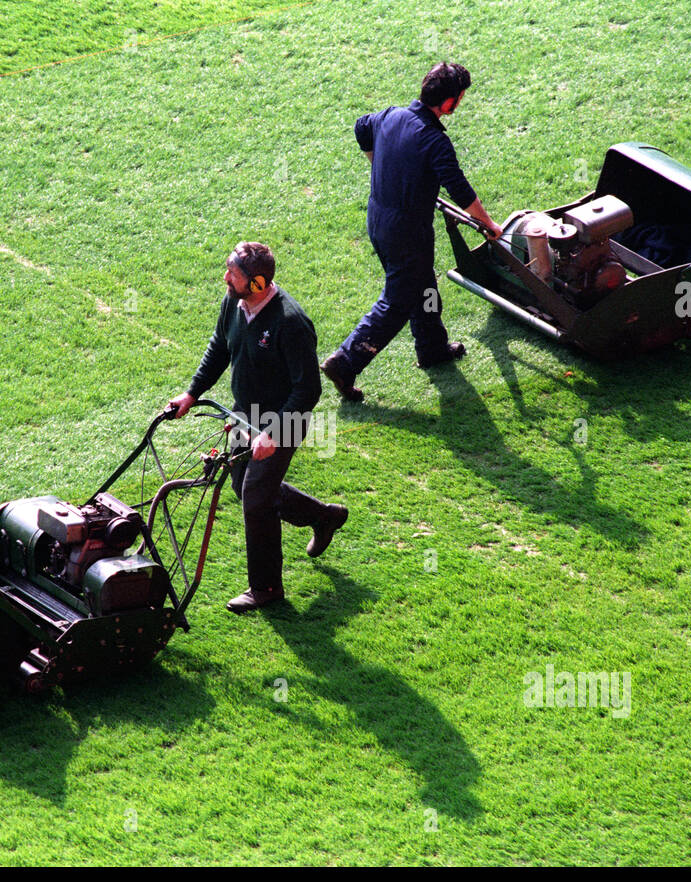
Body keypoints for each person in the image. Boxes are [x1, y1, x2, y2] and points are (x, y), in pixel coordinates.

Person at [166, 241, 348, 613]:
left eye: (233, 273)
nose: (226, 277)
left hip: (284, 420)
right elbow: (220, 346)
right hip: (242, 415)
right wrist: (191, 393)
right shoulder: (235, 302)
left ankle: (265, 588)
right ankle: (323, 516)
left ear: (258, 282)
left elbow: (307, 389)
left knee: (255, 498)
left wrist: (275, 433)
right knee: (241, 483)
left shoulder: (290, 323)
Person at [321, 62, 502, 402]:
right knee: (398, 301)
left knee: (422, 285)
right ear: (449, 103)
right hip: (407, 232)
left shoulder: (391, 116)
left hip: (378, 221)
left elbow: (361, 126)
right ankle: (346, 360)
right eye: (460, 98)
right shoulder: (434, 141)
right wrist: (489, 225)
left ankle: (432, 347)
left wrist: (377, 163)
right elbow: (459, 189)